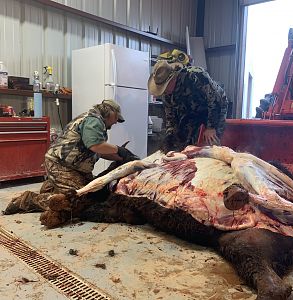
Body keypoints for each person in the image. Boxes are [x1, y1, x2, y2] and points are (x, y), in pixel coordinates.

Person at [4, 99, 136, 226]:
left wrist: (122, 158)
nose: (116, 122)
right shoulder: (94, 121)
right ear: (111, 113)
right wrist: (119, 149)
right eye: (116, 119)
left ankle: (52, 187)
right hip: (61, 166)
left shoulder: (95, 123)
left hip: (75, 168)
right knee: (79, 200)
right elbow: (95, 145)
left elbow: (99, 151)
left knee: (94, 193)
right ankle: (29, 200)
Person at [148, 60, 229, 152]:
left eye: (165, 87)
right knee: (185, 140)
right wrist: (170, 135)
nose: (164, 91)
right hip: (191, 109)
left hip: (215, 106)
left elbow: (214, 100)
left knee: (211, 141)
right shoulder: (167, 94)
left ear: (172, 79)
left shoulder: (196, 76)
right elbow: (170, 117)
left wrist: (211, 127)